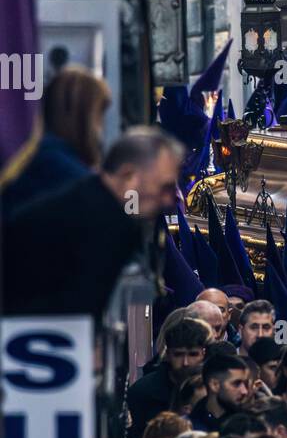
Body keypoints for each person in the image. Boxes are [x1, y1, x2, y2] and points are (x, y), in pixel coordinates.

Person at [3, 126, 183, 322]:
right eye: (164, 187)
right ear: (129, 177)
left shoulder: (87, 199)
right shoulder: (108, 227)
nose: (168, 200)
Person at [1, 65, 111, 217]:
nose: (101, 126)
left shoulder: (38, 150)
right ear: (84, 117)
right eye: (99, 115)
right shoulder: (51, 159)